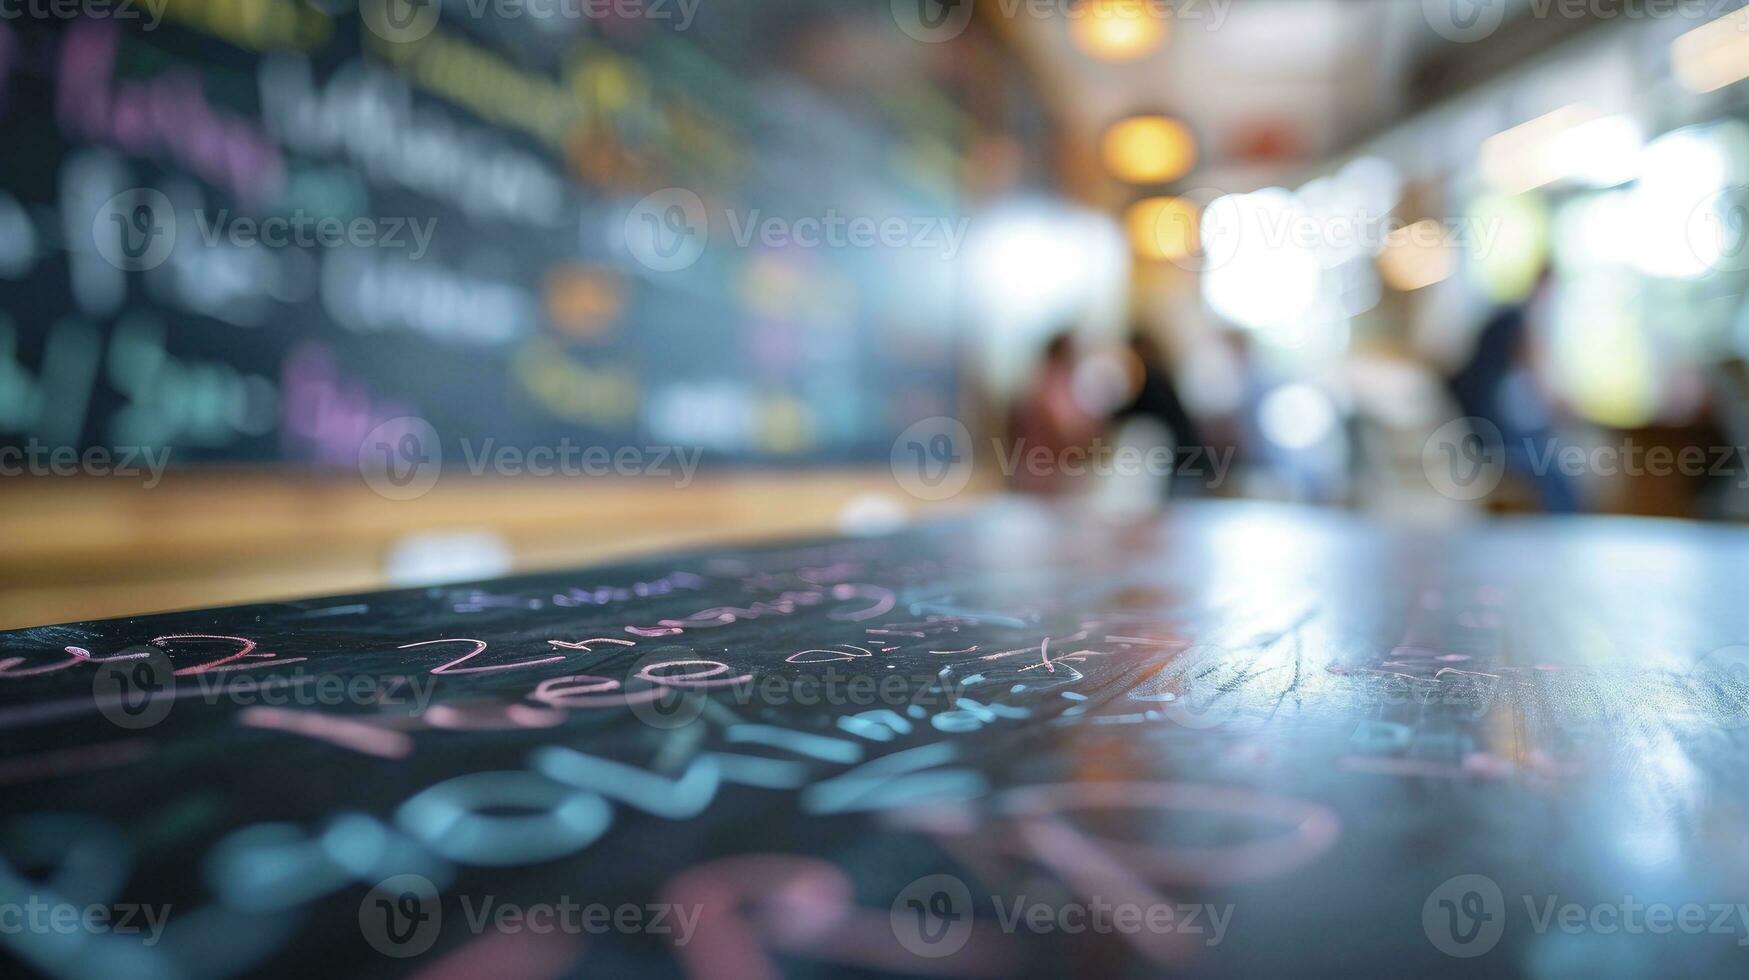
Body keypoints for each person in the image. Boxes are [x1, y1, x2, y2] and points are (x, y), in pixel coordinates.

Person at [1008, 331, 1099, 495]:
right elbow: (1066, 433)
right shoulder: (1052, 386)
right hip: (1043, 479)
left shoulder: (1037, 383)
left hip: (1037, 475)